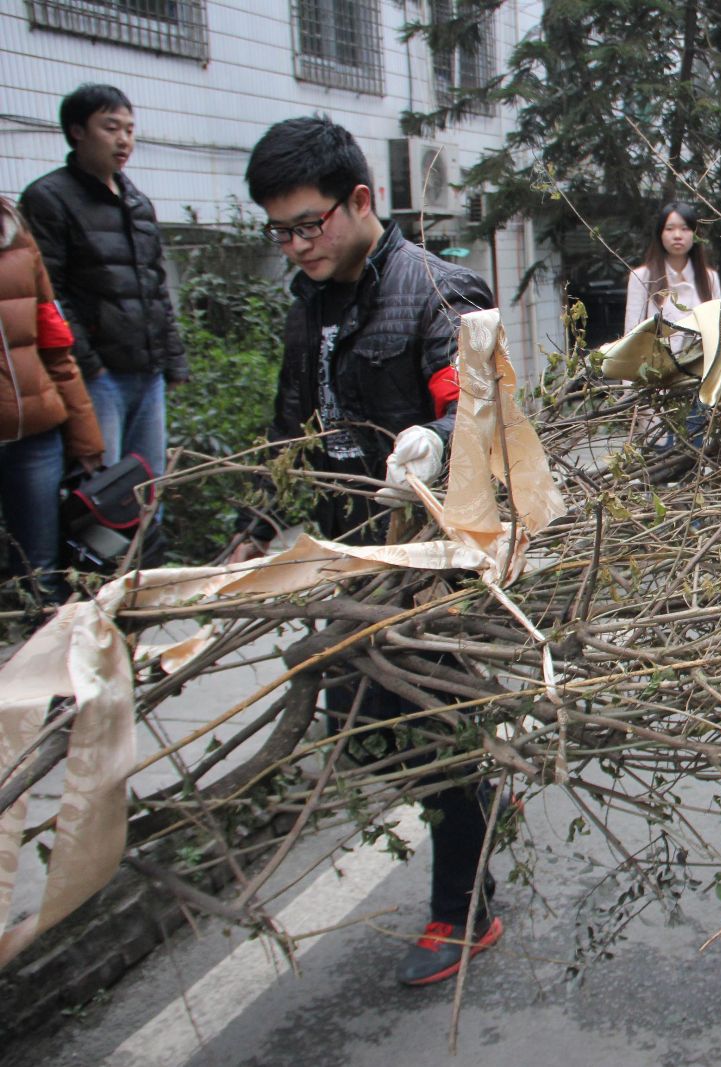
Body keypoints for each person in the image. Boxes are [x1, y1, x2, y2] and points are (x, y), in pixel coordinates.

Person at [236, 115, 500, 986]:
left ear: (360, 200)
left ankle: (463, 907)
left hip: (427, 559)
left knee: (436, 726)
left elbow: (482, 413)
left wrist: (435, 440)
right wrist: (250, 531)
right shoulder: (307, 303)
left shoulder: (436, 290)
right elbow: (287, 430)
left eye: (307, 226)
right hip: (346, 554)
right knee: (361, 722)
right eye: (280, 232)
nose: (296, 246)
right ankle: (477, 803)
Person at [19, 84, 187, 487]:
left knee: (147, 484)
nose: (123, 140)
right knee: (100, 488)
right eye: (111, 128)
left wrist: (173, 360)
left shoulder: (137, 202)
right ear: (77, 131)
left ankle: (147, 535)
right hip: (97, 377)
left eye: (129, 129)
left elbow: (155, 286)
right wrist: (89, 364)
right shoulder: (48, 198)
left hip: (147, 372)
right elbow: (48, 295)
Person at [0, 196, 104, 602]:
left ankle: (46, 633)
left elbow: (54, 339)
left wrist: (86, 435)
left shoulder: (12, 231)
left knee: (43, 572)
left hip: (34, 435)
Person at [623, 200, 721, 332]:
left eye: (685, 229)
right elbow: (632, 333)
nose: (677, 236)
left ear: (695, 235)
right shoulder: (641, 277)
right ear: (660, 234)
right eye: (669, 229)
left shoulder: (709, 277)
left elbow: (718, 329)